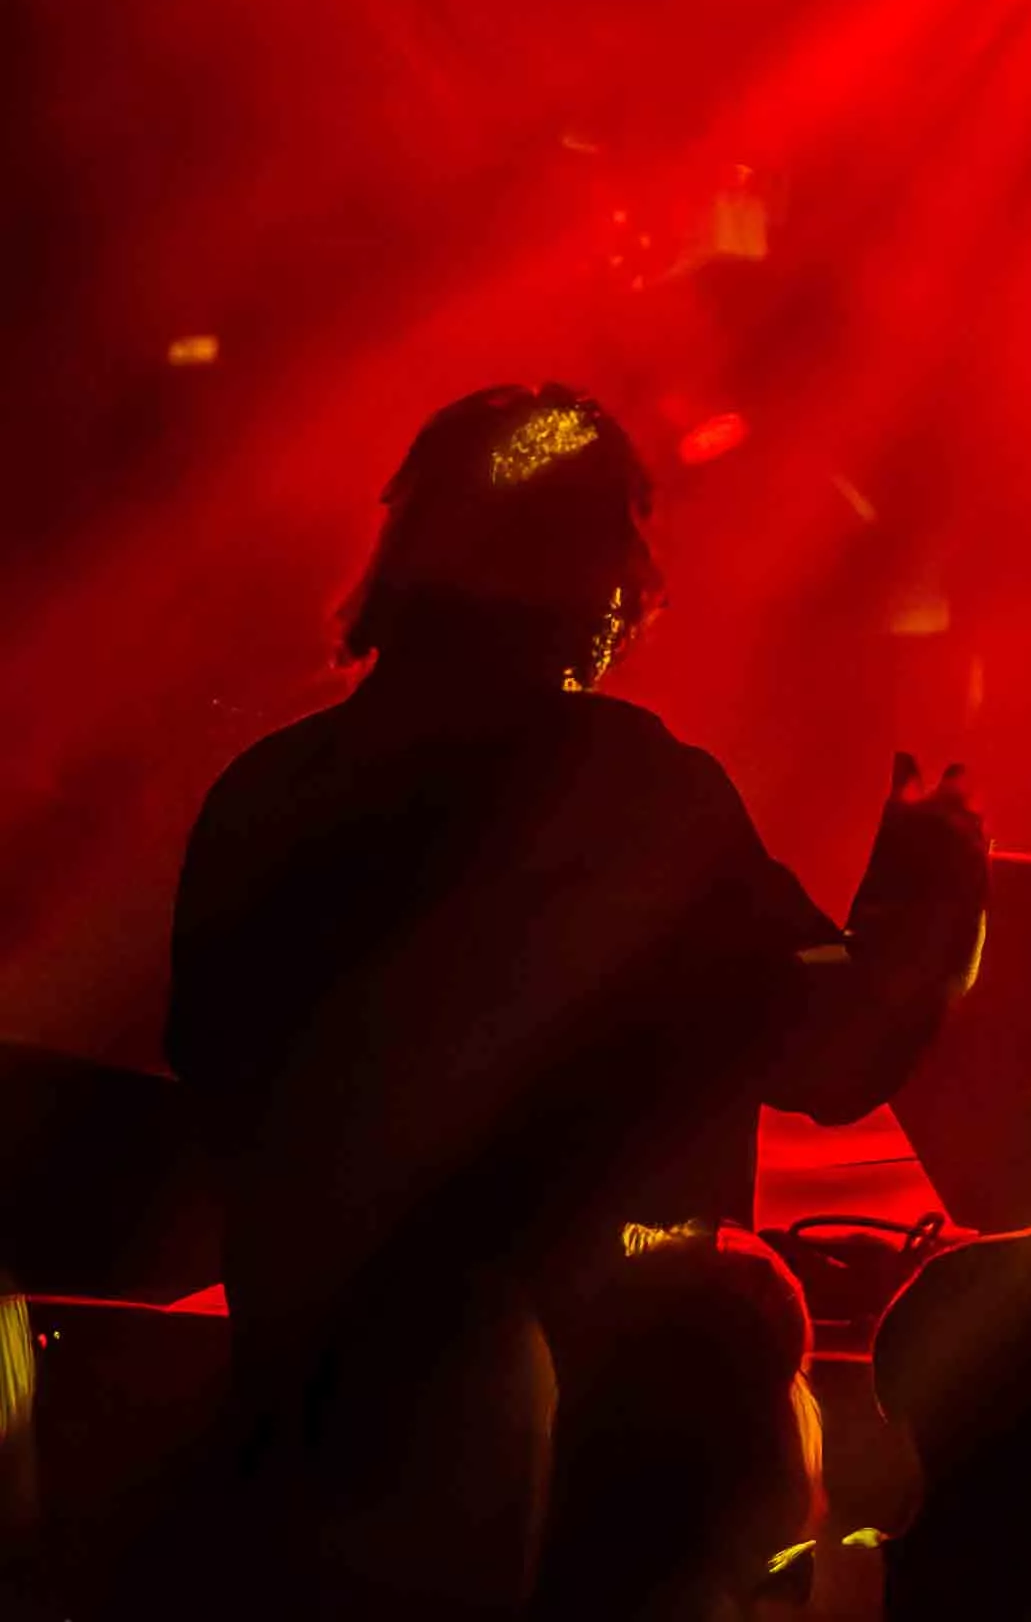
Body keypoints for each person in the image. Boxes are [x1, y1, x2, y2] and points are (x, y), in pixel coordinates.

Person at [157, 383, 987, 1620]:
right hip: (593, 1490)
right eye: (625, 527)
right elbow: (835, 1053)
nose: (650, 568)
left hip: (299, 1452)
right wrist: (934, 883)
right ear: (570, 560)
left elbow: (212, 1081)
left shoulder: (264, 790)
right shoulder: (632, 792)